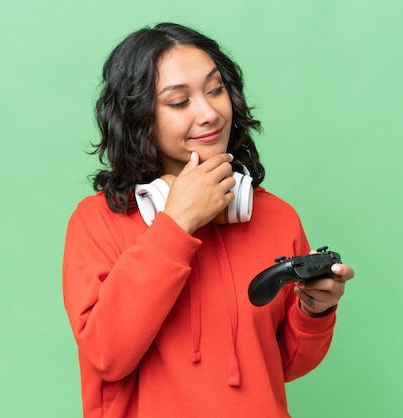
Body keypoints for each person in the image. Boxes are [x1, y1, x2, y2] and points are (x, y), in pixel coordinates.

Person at [62, 22, 355, 418]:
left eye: (215, 90)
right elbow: (105, 355)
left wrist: (314, 312)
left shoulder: (277, 217)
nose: (209, 113)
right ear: (138, 117)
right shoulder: (97, 221)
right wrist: (176, 225)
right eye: (179, 102)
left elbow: (285, 364)